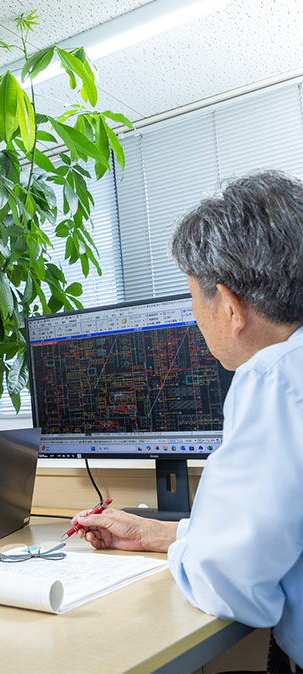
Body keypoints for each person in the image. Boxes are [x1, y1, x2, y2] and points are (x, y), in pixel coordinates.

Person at [69, 170, 303, 669]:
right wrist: (161, 534)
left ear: (231, 307)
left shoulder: (274, 376)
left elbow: (232, 586)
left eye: (194, 298)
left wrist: (189, 552)